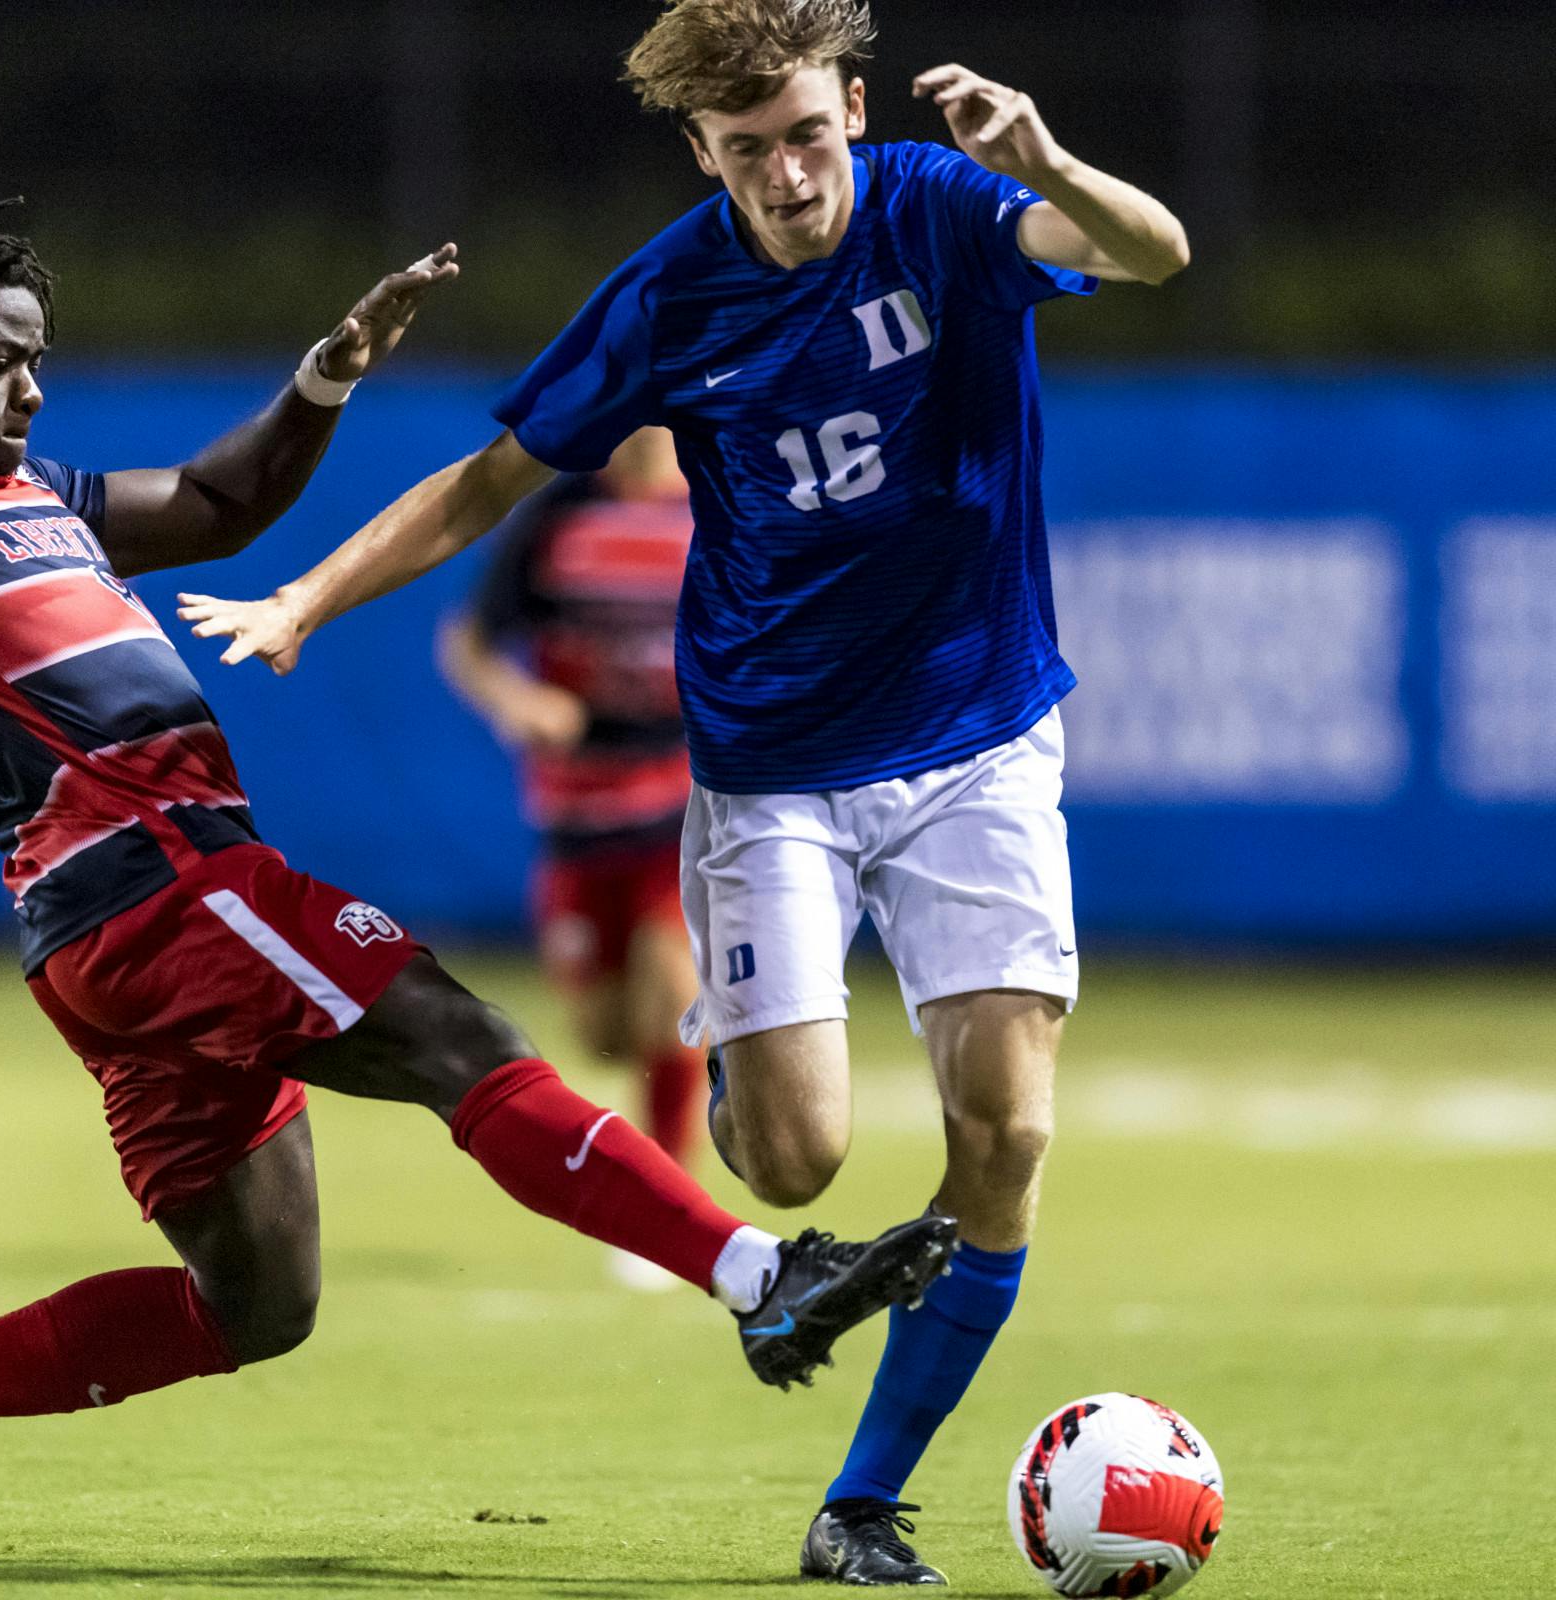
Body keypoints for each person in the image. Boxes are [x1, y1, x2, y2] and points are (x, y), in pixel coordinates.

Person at [0, 169, 955, 1566]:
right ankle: (762, 1277)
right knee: (454, 1035)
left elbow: (221, 504)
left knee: (258, 1302)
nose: (30, 390)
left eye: (38, 360)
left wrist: (323, 383)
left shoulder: (32, 490)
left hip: (109, 927)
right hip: (160, 871)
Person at [177, 0, 1189, 1584]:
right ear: (700, 153)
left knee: (1004, 1134)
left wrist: (1042, 152)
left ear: (850, 104)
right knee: (791, 1166)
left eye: (805, 134)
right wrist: (302, 600)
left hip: (976, 740)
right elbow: (487, 482)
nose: (789, 177)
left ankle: (860, 1506)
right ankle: (730, 1059)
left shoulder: (943, 202)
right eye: (746, 152)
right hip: (774, 773)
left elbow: (1154, 254)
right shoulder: (665, 295)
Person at [437, 425, 705, 1289]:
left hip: (685, 793)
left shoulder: (721, 504)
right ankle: (695, 1062)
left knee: (671, 988)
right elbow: (470, 643)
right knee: (603, 1031)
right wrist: (518, 700)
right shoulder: (563, 511)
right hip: (579, 804)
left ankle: (665, 1211)